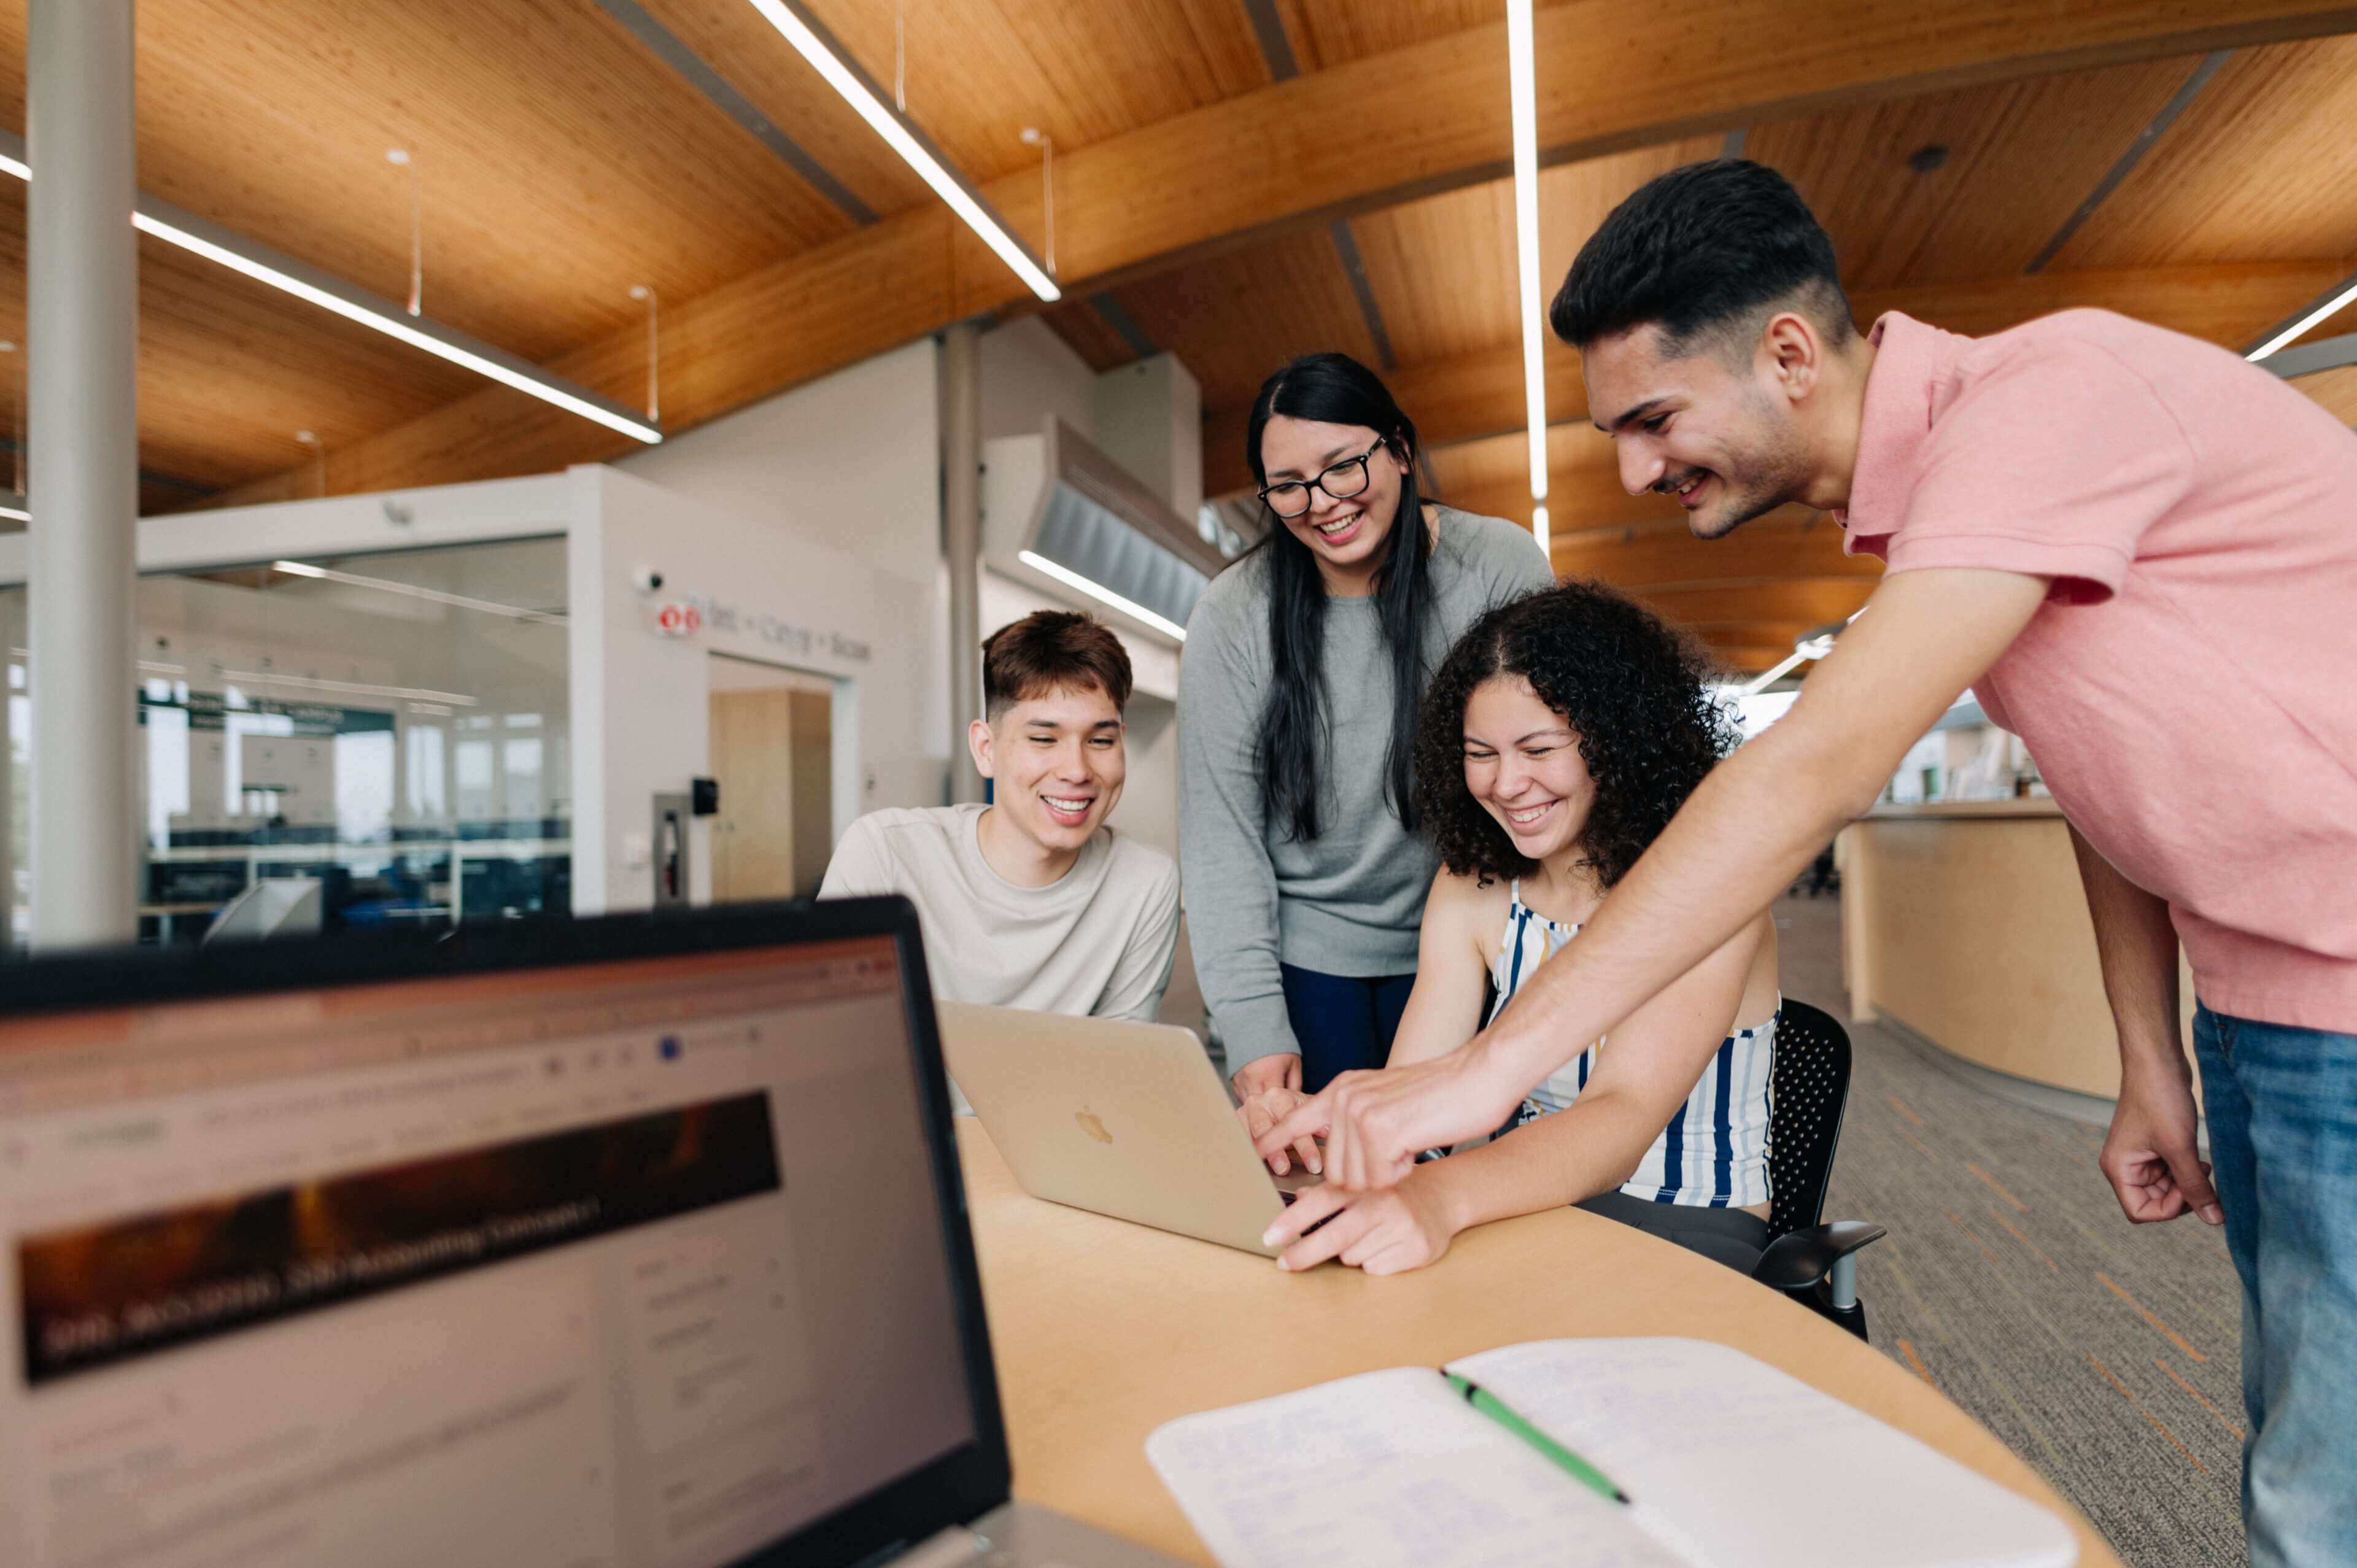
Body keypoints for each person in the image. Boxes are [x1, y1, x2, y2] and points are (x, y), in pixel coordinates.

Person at [1255, 160, 2357, 1568]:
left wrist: (1475, 1074)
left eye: (1652, 420)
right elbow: (2106, 783)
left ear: (1786, 353)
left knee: (2319, 1499)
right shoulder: (1949, 515)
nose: (1635, 470)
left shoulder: (2047, 398)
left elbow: (1811, 767)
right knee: (2299, 1428)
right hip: (2261, 1001)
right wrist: (2151, 1051)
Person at [1251, 581, 1781, 1275]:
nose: (1506, 783)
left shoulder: (1705, 888)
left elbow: (1621, 1117)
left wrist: (1440, 1198)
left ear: (1616, 740)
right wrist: (1315, 1140)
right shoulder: (1472, 889)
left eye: (1538, 748)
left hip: (1683, 1219)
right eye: (1481, 753)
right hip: (1527, 1206)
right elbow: (1416, 1098)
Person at [1179, 353, 1555, 1103]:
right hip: (1310, 961)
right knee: (1331, 1187)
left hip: (1476, 928)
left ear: (1401, 449)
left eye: (1343, 467)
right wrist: (1253, 1025)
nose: (1322, 502)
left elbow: (1554, 763)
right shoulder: (1233, 613)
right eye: (1287, 486)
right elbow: (1222, 837)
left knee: (1474, 1176)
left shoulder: (1498, 565)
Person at [822, 609, 1180, 1032]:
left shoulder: (1145, 883)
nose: (1077, 770)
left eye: (1100, 740)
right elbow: (828, 1038)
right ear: (986, 749)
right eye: (1044, 739)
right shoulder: (883, 854)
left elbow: (1124, 1064)